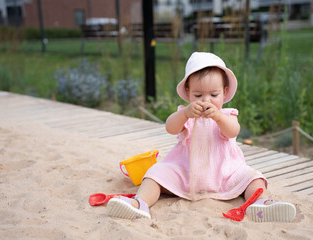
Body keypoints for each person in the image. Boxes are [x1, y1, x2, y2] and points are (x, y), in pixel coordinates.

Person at [107, 52, 296, 222]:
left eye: (214, 94)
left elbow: (233, 131)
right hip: (186, 171)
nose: (206, 100)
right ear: (188, 93)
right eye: (198, 95)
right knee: (154, 174)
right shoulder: (186, 114)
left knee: (254, 177)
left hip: (224, 173)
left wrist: (218, 116)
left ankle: (261, 204)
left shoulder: (227, 114)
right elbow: (170, 128)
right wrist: (185, 114)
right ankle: (140, 204)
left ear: (225, 92)